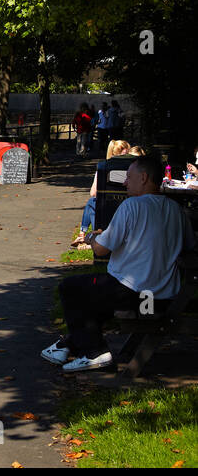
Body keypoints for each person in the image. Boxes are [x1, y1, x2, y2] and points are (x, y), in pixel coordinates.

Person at [45, 154, 193, 371]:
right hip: (161, 297)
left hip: (136, 294)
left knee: (70, 288)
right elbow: (188, 245)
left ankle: (94, 353)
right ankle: (66, 345)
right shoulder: (176, 210)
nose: (124, 182)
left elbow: (102, 249)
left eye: (129, 177)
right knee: (94, 300)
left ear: (143, 178)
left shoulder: (131, 206)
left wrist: (90, 237)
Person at [77, 139, 133, 239]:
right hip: (128, 207)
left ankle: (86, 234)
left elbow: (93, 192)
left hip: (109, 211)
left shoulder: (103, 169)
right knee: (92, 203)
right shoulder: (134, 169)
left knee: (92, 203)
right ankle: (85, 234)